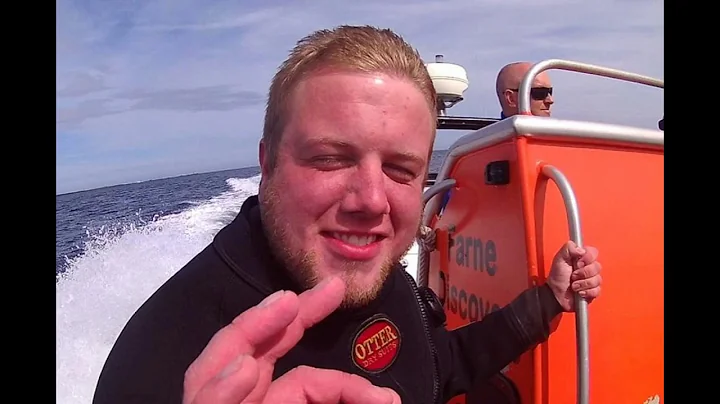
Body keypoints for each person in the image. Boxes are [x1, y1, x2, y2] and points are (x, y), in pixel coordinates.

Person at [92, 25, 602, 404]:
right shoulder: (159, 365)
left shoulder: (381, 277)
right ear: (266, 163)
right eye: (331, 159)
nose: (371, 201)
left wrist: (548, 302)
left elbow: (439, 368)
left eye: (402, 170)